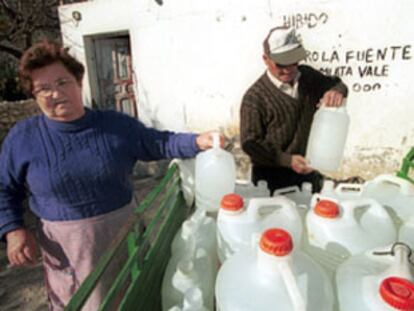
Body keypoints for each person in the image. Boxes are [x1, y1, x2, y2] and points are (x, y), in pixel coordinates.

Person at [0, 40, 221, 310]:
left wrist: (198, 141)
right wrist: (13, 229)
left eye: (62, 82)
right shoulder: (23, 138)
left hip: (124, 233)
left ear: (79, 82)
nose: (55, 94)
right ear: (33, 95)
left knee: (135, 297)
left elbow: (157, 142)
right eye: (43, 88)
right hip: (69, 249)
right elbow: (4, 187)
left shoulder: (113, 126)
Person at [240, 26, 348, 194]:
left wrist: (336, 91)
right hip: (271, 182)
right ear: (266, 59)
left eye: (294, 61)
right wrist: (287, 160)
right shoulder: (255, 98)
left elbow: (336, 84)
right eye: (281, 64)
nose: (289, 69)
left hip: (309, 175)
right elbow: (251, 144)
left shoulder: (307, 76)